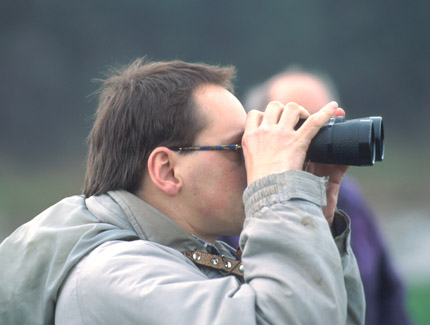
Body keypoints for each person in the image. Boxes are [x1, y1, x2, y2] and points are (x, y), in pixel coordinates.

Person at [0, 58, 365, 324]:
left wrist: (313, 222)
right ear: (167, 170)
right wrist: (280, 194)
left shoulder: (185, 255)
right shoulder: (116, 278)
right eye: (239, 148)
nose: (256, 161)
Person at [220, 67, 412, 325]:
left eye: (324, 125)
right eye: (299, 125)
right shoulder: (232, 206)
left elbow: (388, 295)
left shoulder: (347, 198)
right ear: (257, 133)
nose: (312, 138)